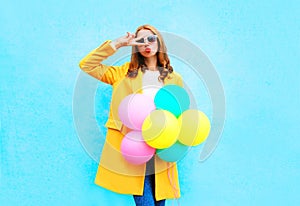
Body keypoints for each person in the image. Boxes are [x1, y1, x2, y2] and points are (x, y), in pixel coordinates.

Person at [79, 24, 183, 206]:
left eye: (151, 38)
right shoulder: (123, 73)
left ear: (159, 42)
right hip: (135, 147)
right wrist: (118, 43)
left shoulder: (174, 79)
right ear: (136, 47)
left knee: (160, 203)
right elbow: (87, 65)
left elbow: (177, 115)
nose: (146, 44)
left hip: (161, 149)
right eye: (141, 41)